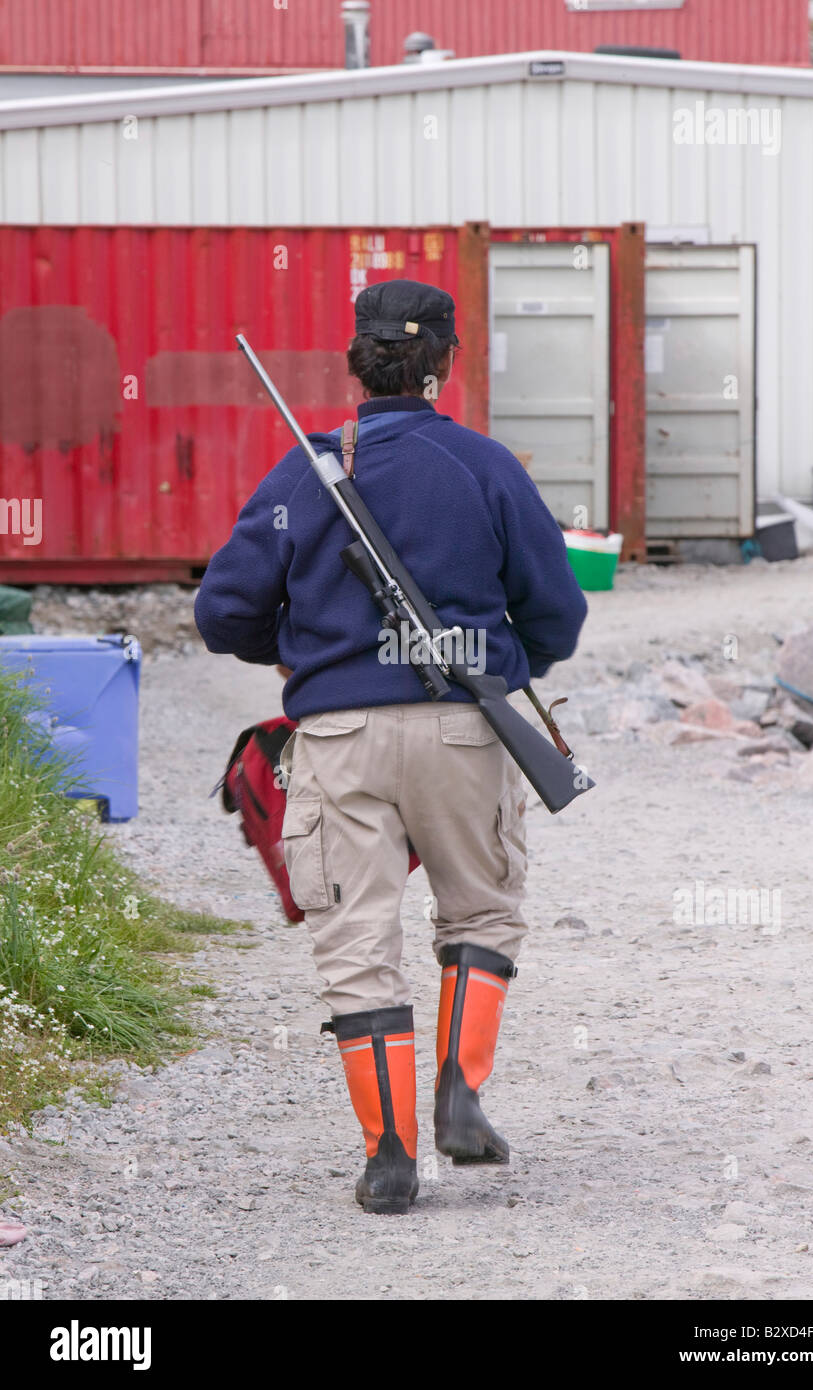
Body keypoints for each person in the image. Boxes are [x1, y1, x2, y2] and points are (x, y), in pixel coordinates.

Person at [195, 280, 587, 1214]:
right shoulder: (485, 465)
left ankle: (387, 1156)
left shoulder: (303, 469)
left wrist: (312, 652)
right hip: (463, 727)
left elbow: (223, 615)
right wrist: (493, 655)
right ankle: (460, 1092)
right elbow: (558, 615)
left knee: (357, 946)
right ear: (446, 363)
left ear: (353, 366)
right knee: (482, 914)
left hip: (336, 737)